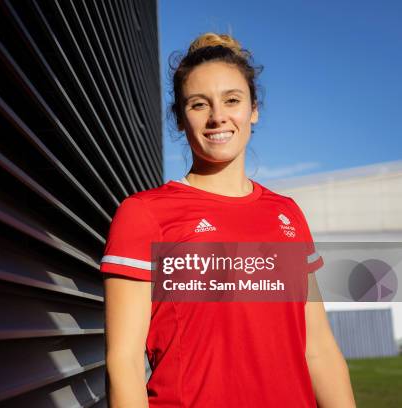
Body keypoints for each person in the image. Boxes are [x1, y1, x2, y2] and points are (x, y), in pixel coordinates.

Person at [100, 33, 356, 407]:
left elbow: (318, 349)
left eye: (232, 100)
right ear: (179, 118)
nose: (218, 116)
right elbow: (123, 364)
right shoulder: (144, 214)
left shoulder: (287, 215)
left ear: (253, 109)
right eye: (199, 104)